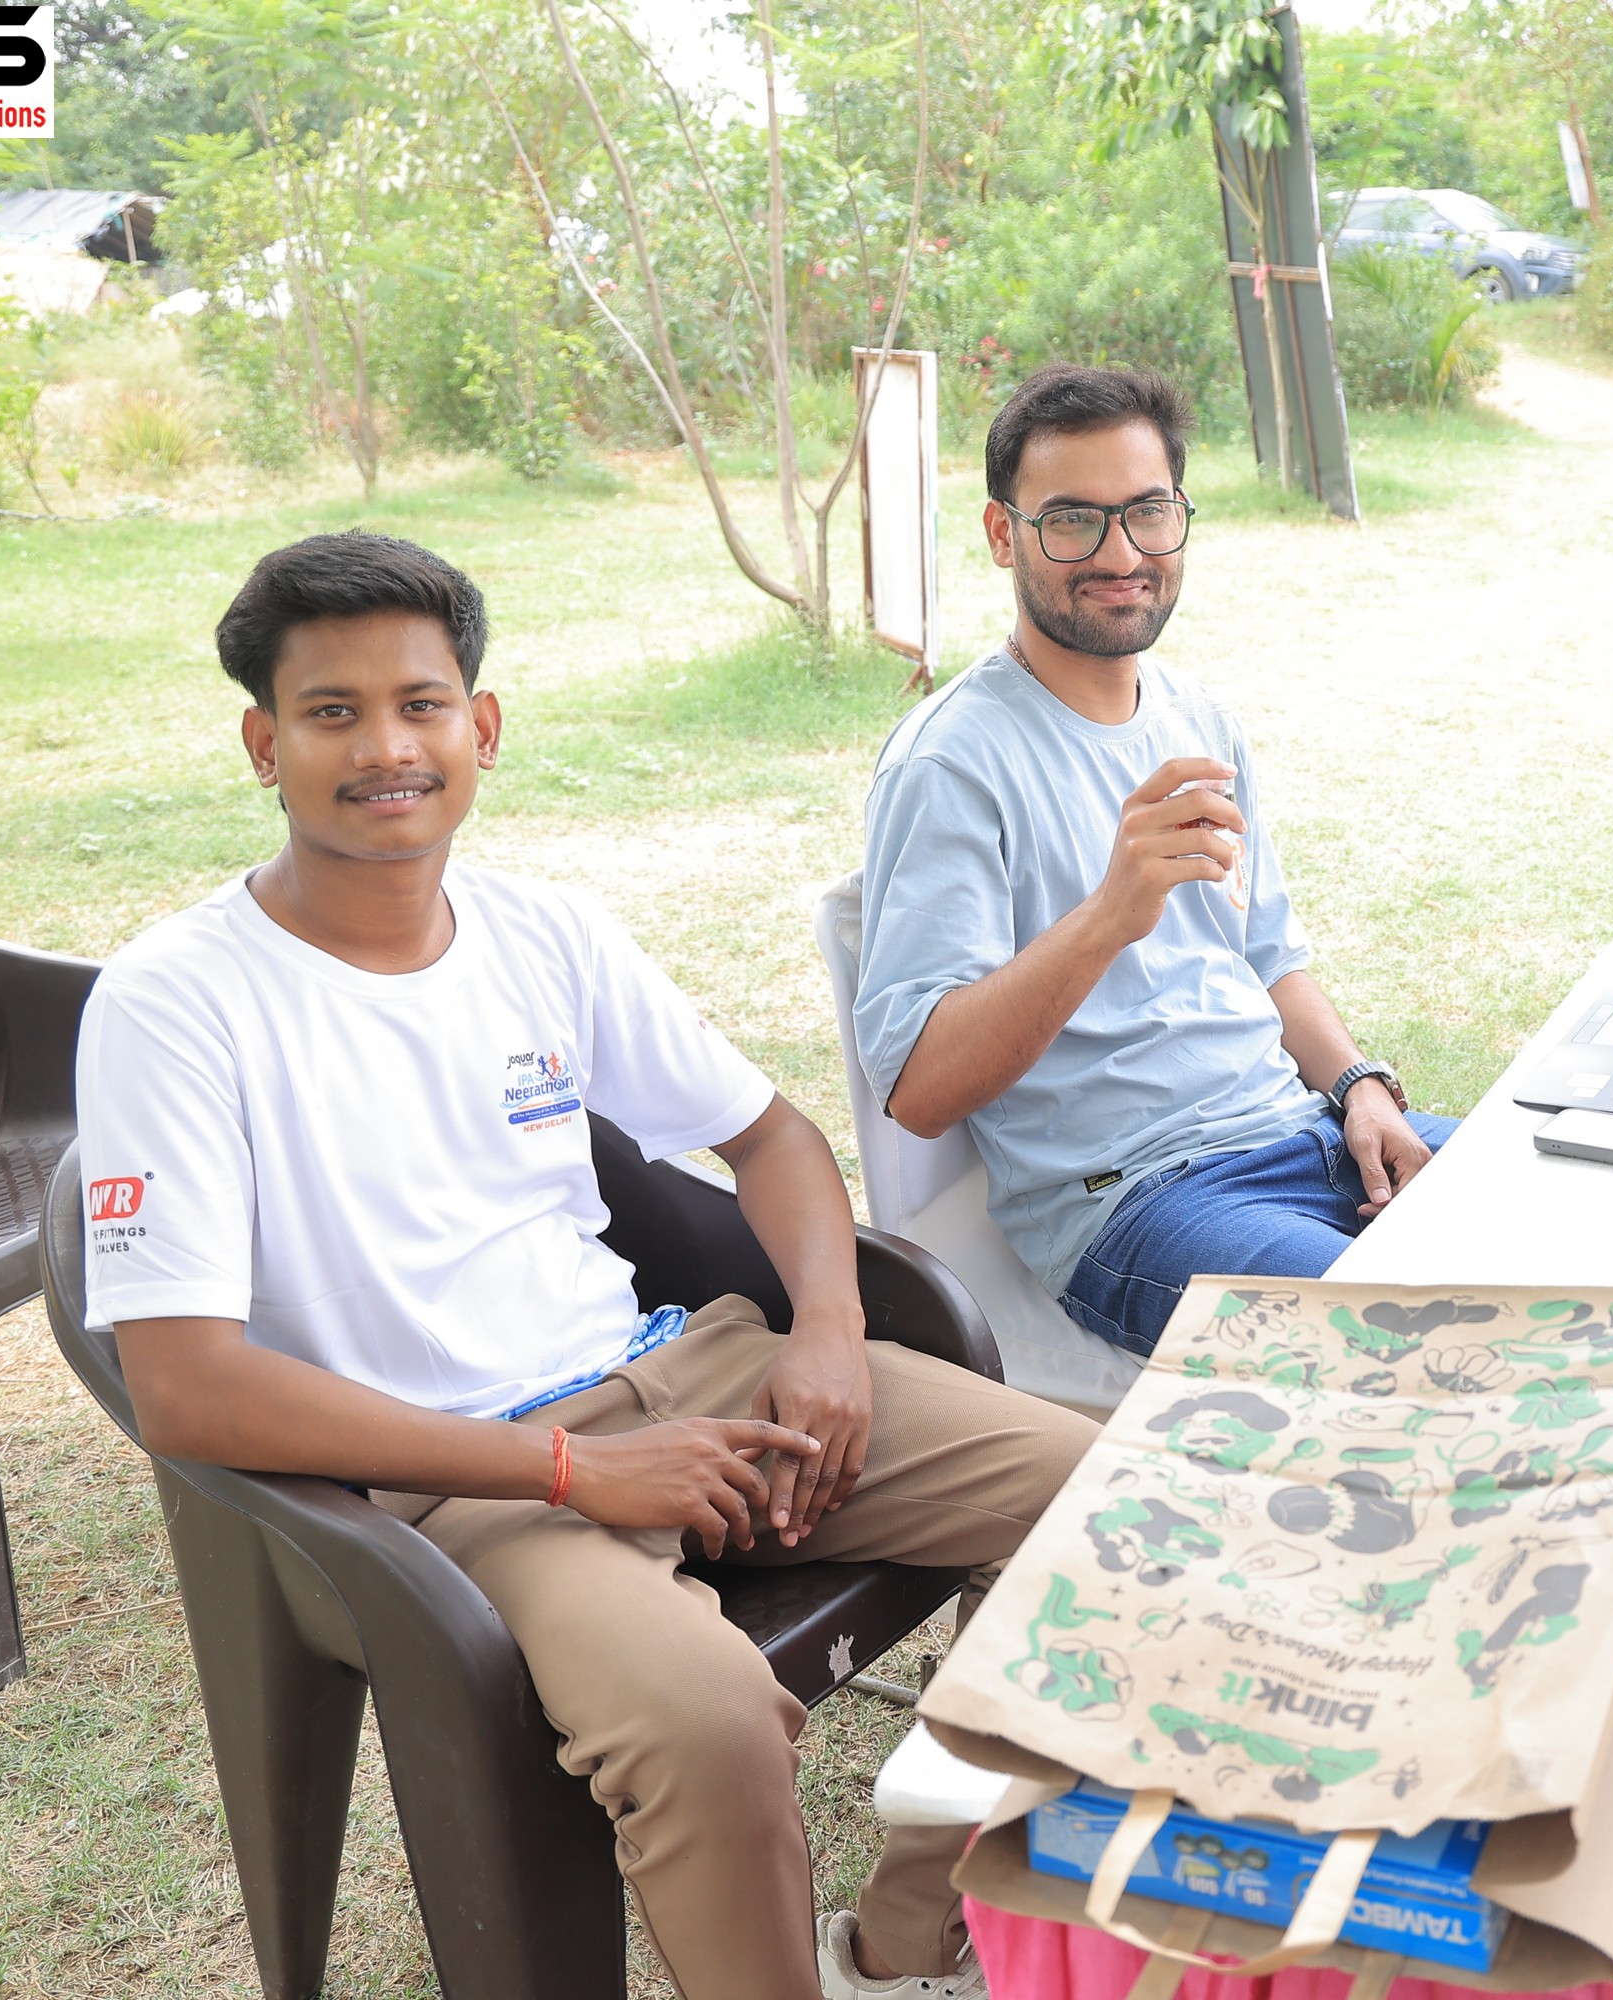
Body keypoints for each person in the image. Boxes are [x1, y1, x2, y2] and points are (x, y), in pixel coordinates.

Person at [75, 529, 1094, 2000]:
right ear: (264, 745)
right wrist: (572, 1471)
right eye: (332, 712)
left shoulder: (541, 931)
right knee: (708, 1723)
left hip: (694, 1374)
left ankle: (906, 1944)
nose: (387, 748)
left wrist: (824, 1330)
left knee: (1121, 1508)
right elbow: (185, 1388)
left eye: (422, 704)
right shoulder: (174, 1002)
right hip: (463, 1478)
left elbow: (774, 1138)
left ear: (480, 727)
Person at [856, 365, 1456, 1357]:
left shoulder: (1199, 719)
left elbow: (1268, 958)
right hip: (1140, 1200)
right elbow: (919, 1090)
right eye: (1072, 520)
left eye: (1147, 511)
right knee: (1414, 1345)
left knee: (1586, 1226)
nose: (1120, 552)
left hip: (1307, 1133)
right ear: (1003, 533)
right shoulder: (951, 763)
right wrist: (1108, 916)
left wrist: (1360, 1088)